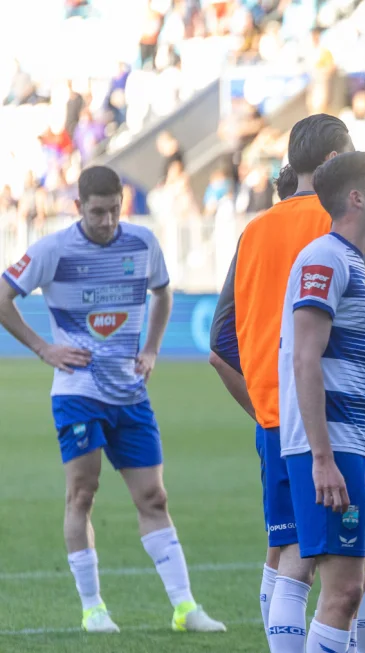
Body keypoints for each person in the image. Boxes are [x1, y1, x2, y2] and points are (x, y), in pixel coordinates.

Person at [207, 114, 365, 653]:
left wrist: (268, 405)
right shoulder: (337, 226)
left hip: (280, 418)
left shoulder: (255, 230)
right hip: (334, 421)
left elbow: (221, 344)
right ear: (335, 165)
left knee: (288, 555)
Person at [0, 166, 226, 634]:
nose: (107, 221)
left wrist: (152, 348)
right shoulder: (52, 250)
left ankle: (185, 608)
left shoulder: (142, 243)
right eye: (97, 212)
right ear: (78, 207)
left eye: (114, 210)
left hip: (130, 393)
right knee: (82, 494)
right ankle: (93, 609)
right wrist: (44, 348)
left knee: (154, 496)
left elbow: (163, 294)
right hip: (78, 393)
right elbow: (3, 296)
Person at [278, 150, 365, 653]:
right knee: (342, 592)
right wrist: (322, 459)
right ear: (357, 198)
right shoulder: (323, 258)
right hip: (337, 448)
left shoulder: (353, 263)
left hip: (364, 447)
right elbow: (304, 359)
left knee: (362, 582)